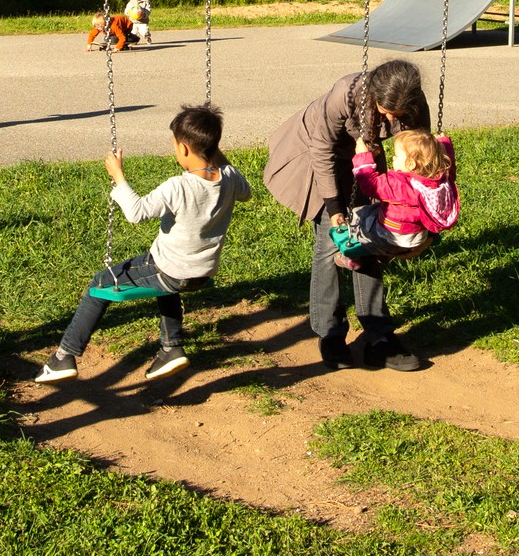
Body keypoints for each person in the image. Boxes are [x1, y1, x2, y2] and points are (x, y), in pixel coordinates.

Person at [35, 104, 250, 384]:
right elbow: (246, 192)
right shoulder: (231, 179)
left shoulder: (178, 186)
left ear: (184, 149)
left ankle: (64, 356)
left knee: (100, 283)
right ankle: (171, 349)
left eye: (174, 146)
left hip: (169, 268)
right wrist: (213, 152)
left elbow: (136, 212)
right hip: (202, 273)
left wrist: (118, 176)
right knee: (165, 288)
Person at [263, 57, 431, 371]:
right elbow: (321, 149)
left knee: (369, 241)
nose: (389, 119)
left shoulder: (414, 103)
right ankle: (331, 333)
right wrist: (335, 207)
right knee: (331, 242)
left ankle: (379, 337)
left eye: (397, 115)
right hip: (318, 156)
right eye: (384, 112)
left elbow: (422, 155)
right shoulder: (345, 93)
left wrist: (420, 207)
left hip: (366, 160)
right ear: (376, 97)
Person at [331, 128, 461, 272]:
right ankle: (386, 254)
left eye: (396, 156)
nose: (393, 158)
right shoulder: (439, 182)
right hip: (418, 237)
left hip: (391, 237)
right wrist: (445, 146)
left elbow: (369, 183)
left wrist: (363, 155)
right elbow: (450, 169)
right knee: (375, 210)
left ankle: (352, 258)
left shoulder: (399, 185)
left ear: (411, 164)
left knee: (359, 216)